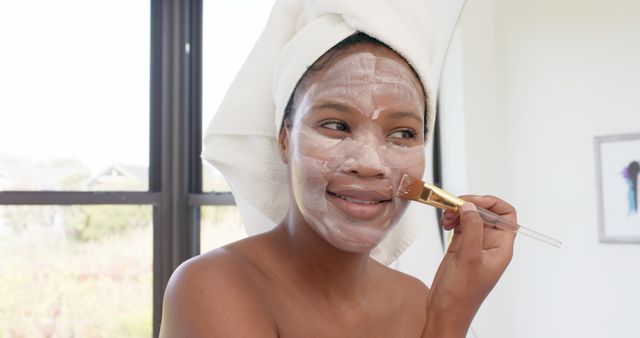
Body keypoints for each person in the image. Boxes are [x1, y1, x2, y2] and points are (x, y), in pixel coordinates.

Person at [160, 1, 516, 337]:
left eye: (403, 133)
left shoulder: (416, 299)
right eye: (336, 125)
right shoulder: (211, 286)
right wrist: (448, 319)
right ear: (284, 139)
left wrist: (444, 310)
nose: (369, 163)